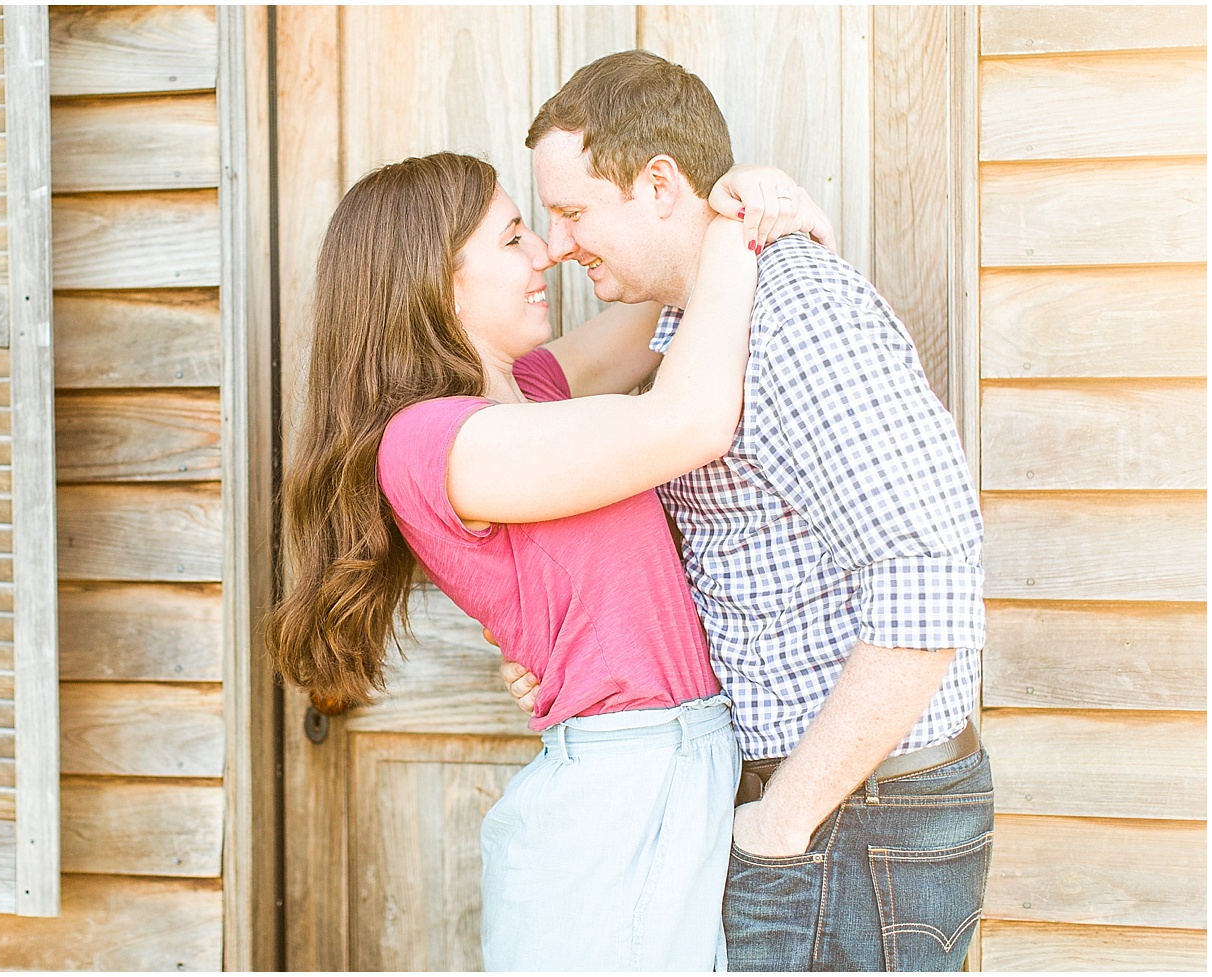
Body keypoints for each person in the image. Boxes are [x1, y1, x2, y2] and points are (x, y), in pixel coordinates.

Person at [265, 150, 832, 971]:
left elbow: (670, 296)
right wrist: (743, 224)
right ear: (436, 278)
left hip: (671, 766)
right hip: (621, 788)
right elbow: (689, 421)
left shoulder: (533, 390)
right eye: (514, 238)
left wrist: (733, 199)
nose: (548, 254)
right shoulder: (428, 441)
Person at [500, 50, 993, 972]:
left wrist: (785, 816)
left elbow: (928, 573)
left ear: (657, 186)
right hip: (813, 811)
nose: (560, 245)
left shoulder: (799, 315)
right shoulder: (692, 329)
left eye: (572, 212)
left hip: (854, 818)